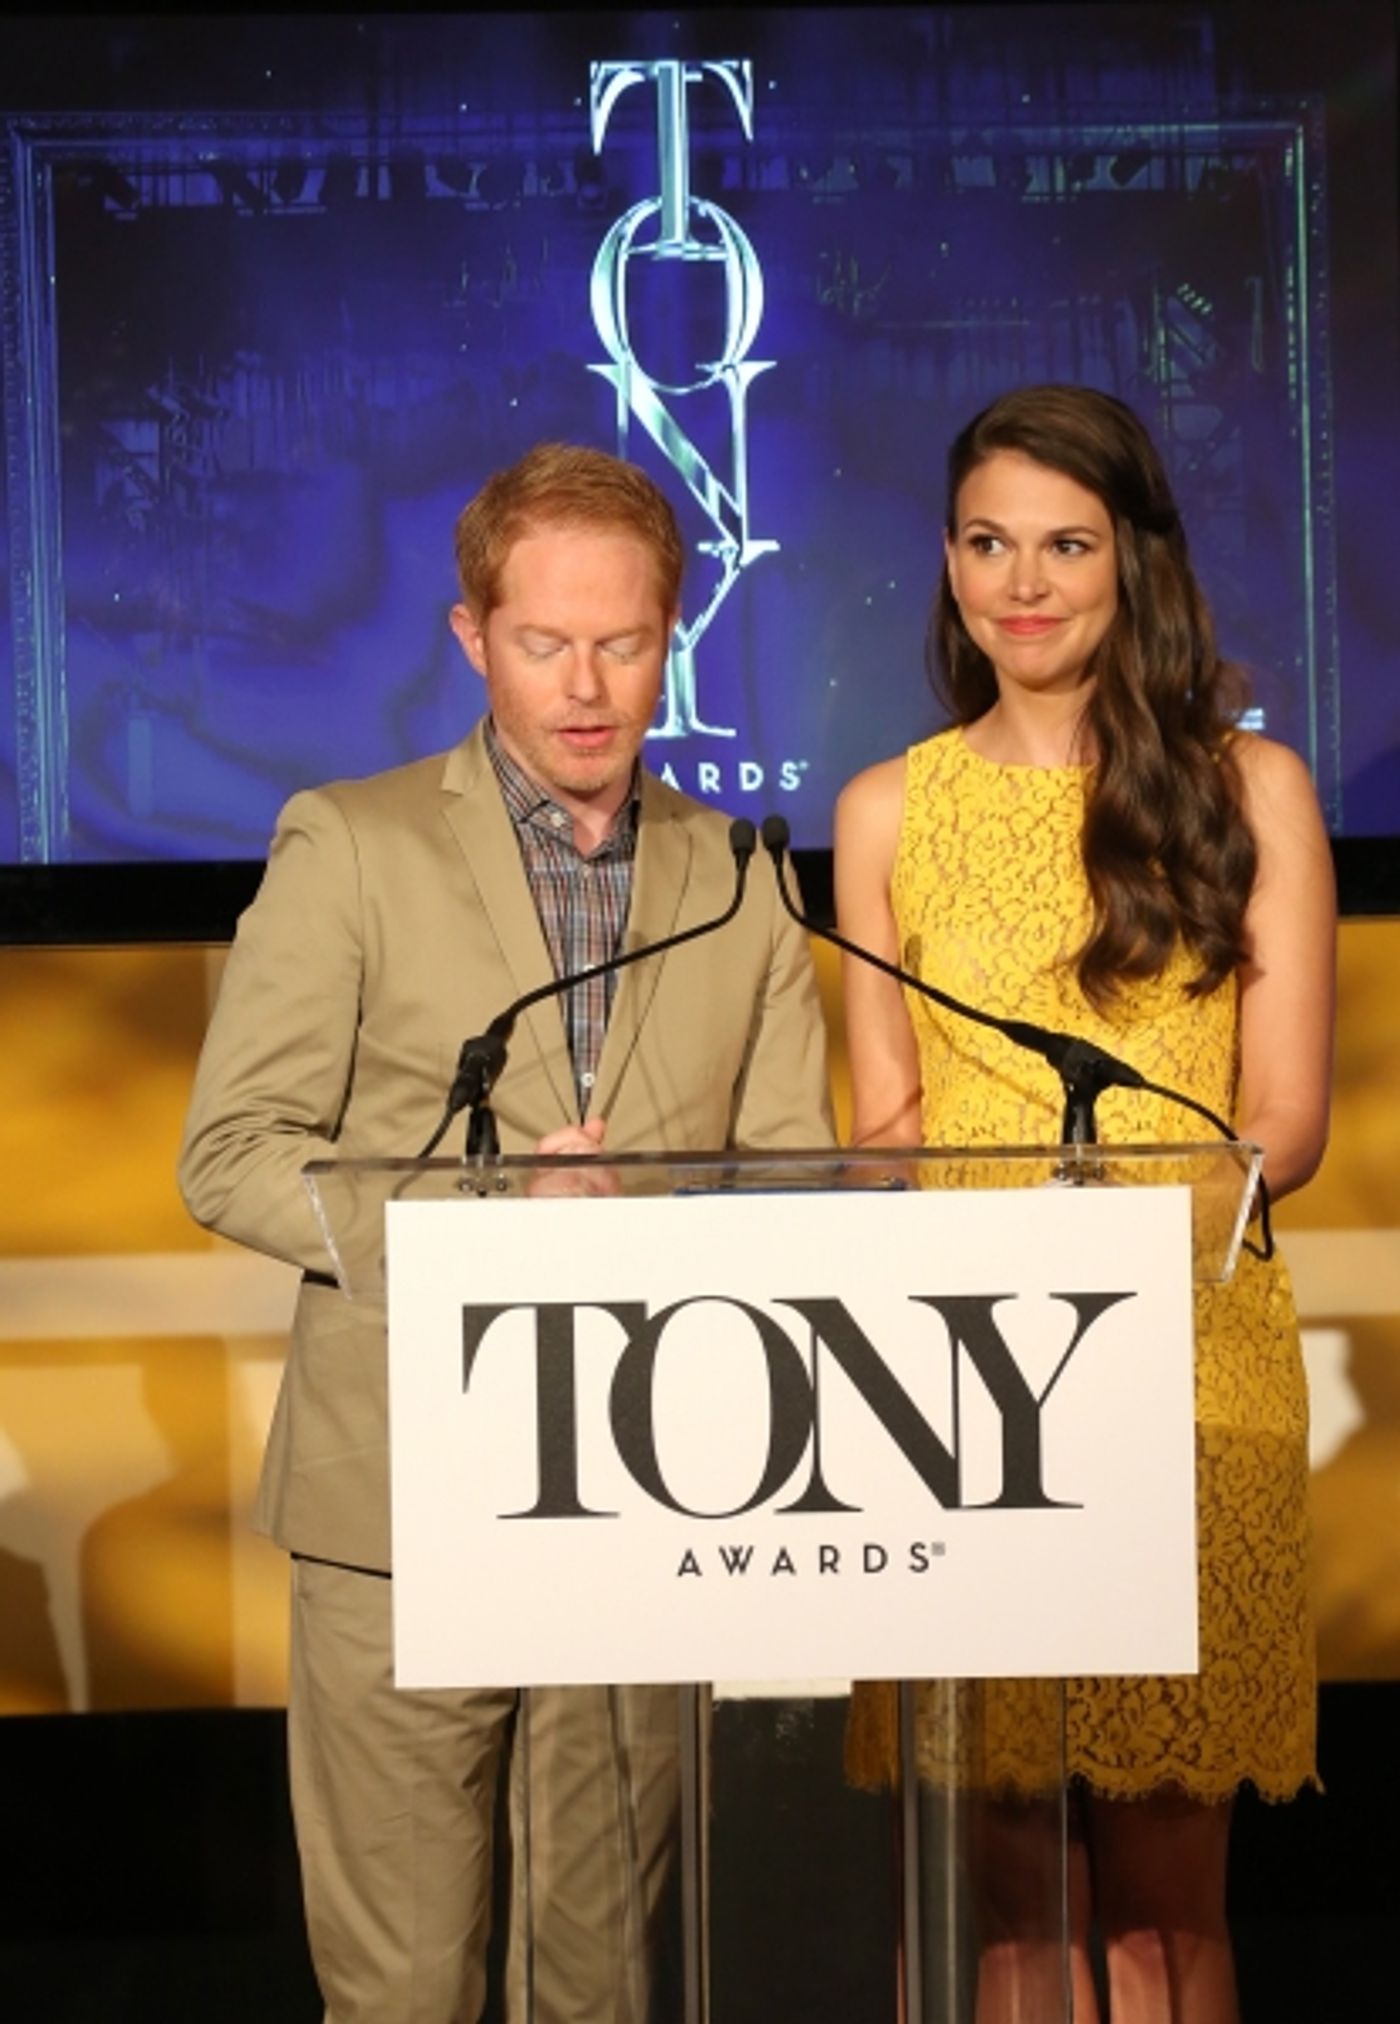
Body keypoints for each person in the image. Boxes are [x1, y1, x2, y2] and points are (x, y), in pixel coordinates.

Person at [177, 441, 834, 2023]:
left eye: (625, 641)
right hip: (405, 1503)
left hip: (647, 1500)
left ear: (675, 635)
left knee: (601, 1985)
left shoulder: (740, 877)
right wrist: (480, 1225)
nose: (589, 685)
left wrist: (674, 1235)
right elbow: (232, 1155)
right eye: (546, 643)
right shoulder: (352, 843)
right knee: (406, 1989)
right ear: (473, 639)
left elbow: (800, 1175)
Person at [834, 384, 1334, 2023]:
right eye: (989, 543)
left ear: (1135, 566)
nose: (1023, 584)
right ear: (950, 564)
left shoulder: (1248, 789)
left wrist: (1107, 1266)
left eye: (1065, 544)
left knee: (1160, 1907)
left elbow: (1285, 1122)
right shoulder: (884, 811)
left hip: (1184, 1375)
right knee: (1003, 1895)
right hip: (963, 1388)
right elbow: (887, 1133)